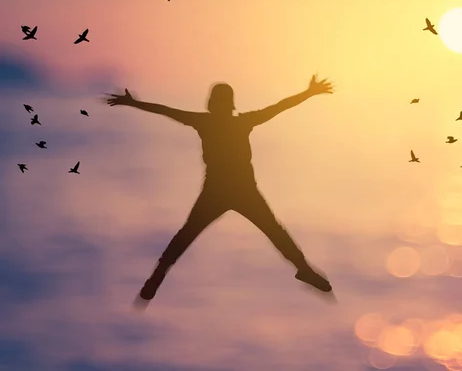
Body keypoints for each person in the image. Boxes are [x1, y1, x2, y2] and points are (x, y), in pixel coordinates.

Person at [105, 75, 334, 305]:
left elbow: (166, 110)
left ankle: (156, 278)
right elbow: (278, 107)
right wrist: (309, 92)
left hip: (227, 192)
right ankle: (303, 268)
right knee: (273, 231)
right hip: (232, 192)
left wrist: (133, 103)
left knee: (188, 237)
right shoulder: (239, 122)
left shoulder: (210, 122)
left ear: (213, 104)